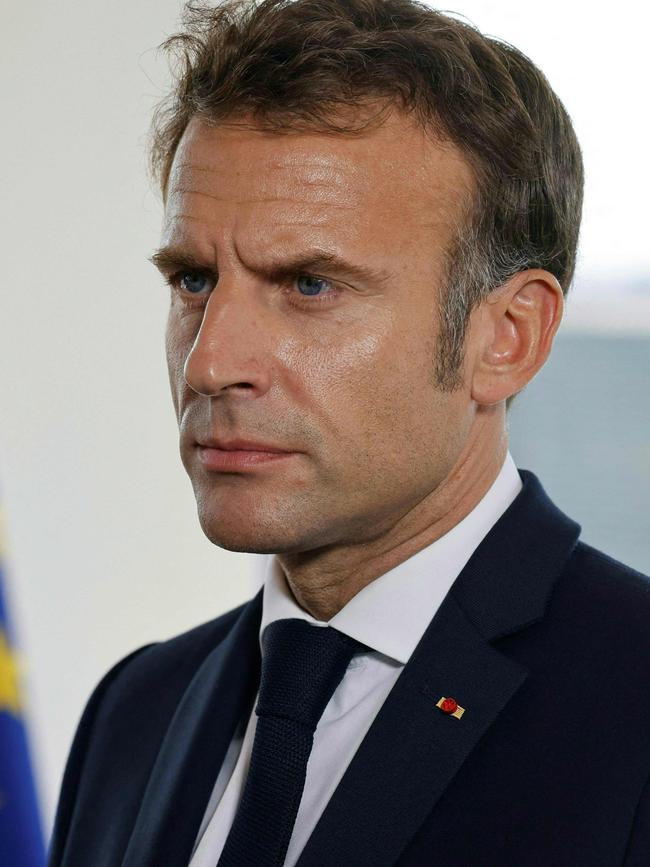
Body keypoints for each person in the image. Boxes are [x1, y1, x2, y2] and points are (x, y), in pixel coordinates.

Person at [48, 0, 650, 864]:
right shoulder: (134, 711)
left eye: (308, 285)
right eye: (192, 279)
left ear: (507, 336)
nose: (210, 363)